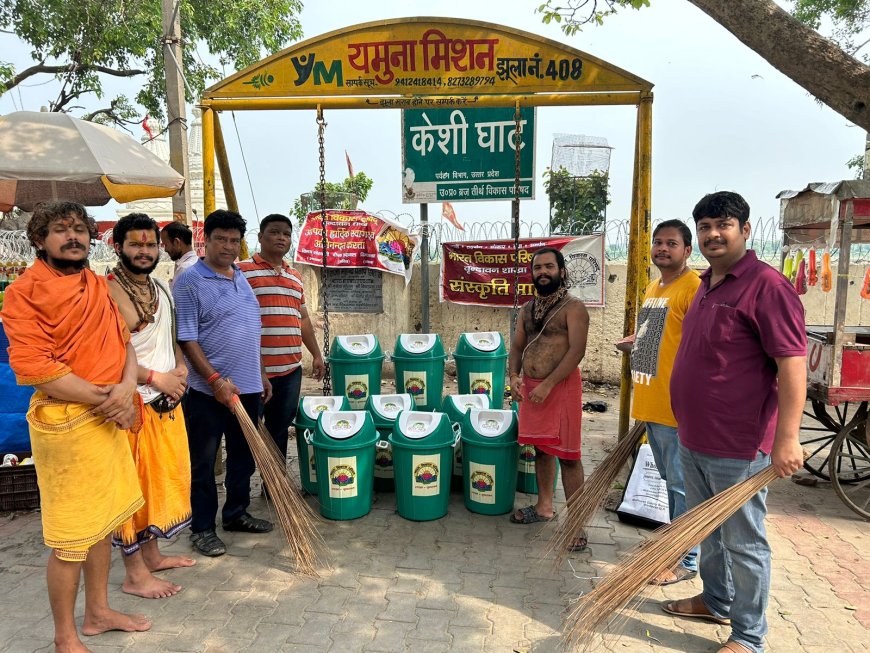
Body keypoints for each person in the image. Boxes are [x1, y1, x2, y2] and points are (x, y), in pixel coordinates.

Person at [2, 201, 151, 652]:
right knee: (71, 538)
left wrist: (127, 388)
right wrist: (112, 400)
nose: (74, 237)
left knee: (103, 523)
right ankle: (65, 637)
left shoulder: (98, 284)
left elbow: (125, 341)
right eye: (61, 230)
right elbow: (36, 368)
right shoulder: (23, 293)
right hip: (67, 422)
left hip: (111, 412)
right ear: (39, 239)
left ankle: (99, 612)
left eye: (80, 229)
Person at [663, 192, 806, 653]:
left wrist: (787, 440)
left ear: (746, 229)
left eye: (723, 224)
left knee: (744, 543)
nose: (712, 234)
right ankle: (715, 600)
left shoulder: (768, 287)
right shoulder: (707, 283)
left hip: (739, 445)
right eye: (704, 226)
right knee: (707, 533)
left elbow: (791, 365)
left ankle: (748, 637)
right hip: (695, 437)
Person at [173, 209, 274, 558]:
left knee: (243, 459)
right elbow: (187, 338)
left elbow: (252, 331)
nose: (229, 246)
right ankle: (202, 528)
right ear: (206, 240)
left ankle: (235, 514)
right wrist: (215, 380)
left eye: (234, 240)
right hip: (208, 391)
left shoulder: (240, 276)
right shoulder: (188, 281)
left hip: (246, 388)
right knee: (203, 462)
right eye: (221, 239)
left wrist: (259, 373)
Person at [107, 213, 195, 598]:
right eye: (135, 245)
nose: (144, 251)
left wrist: (179, 368)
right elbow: (107, 357)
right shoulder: (106, 291)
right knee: (132, 491)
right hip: (133, 406)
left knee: (158, 484)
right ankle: (134, 576)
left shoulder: (161, 287)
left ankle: (153, 557)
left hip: (167, 402)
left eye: (150, 244)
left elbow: (172, 337)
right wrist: (155, 378)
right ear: (118, 246)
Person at [626, 219, 701, 585]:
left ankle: (685, 560)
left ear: (688, 250)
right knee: (673, 481)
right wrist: (635, 341)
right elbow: (660, 336)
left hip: (675, 408)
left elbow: (698, 347)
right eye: (658, 242)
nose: (662, 249)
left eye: (672, 243)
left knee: (682, 485)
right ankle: (673, 545)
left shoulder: (694, 288)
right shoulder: (654, 287)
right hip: (650, 402)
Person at [508, 247, 590, 552]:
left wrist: (549, 384)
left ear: (561, 271)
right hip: (532, 389)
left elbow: (576, 351)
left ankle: (577, 524)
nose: (543, 272)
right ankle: (544, 507)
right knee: (541, 450)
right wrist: (514, 377)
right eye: (537, 268)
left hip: (562, 388)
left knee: (568, 457)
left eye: (549, 267)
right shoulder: (527, 309)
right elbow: (517, 346)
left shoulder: (574, 308)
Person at [238, 214, 325, 470]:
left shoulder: (295, 276)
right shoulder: (241, 272)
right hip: (253, 371)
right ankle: (239, 498)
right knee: (247, 433)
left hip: (290, 370)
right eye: (274, 232)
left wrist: (317, 355)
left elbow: (304, 320)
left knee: (279, 428)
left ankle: (275, 484)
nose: (281, 238)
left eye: (286, 234)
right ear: (260, 237)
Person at [160, 221, 198, 288]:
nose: (165, 250)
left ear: (176, 242)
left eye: (166, 244)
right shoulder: (197, 262)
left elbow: (174, 297)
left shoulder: (184, 269)